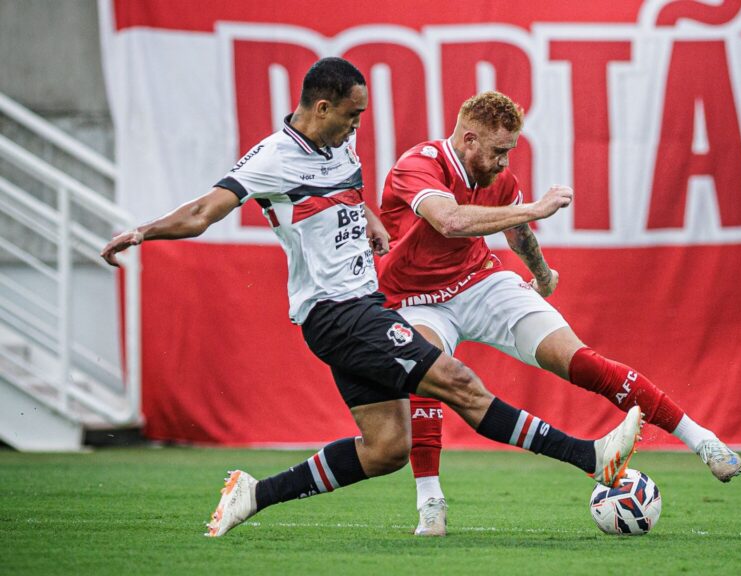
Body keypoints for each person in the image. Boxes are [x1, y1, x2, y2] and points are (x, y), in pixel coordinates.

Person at [100, 58, 643, 538]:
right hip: (337, 313)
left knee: (385, 449)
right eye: (352, 115)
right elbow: (203, 212)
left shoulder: (338, 142)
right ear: (321, 107)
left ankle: (253, 494)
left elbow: (345, 189)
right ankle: (589, 456)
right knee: (457, 382)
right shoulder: (272, 158)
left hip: (361, 306)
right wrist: (143, 231)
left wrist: (370, 220)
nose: (357, 125)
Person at [377, 90, 741, 536]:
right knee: (426, 372)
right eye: (498, 150)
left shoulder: (499, 178)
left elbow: (517, 231)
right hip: (415, 299)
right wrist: (537, 207)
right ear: (469, 139)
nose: (503, 162)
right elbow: (450, 221)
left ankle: (703, 441)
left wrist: (542, 273)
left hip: (479, 282)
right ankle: (430, 501)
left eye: (510, 151)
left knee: (582, 362)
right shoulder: (418, 165)